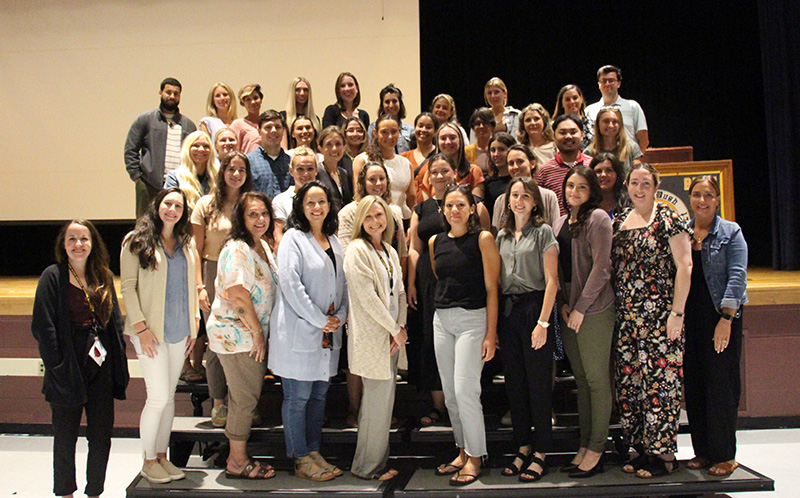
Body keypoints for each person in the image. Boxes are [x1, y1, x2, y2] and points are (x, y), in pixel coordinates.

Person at [32, 220, 129, 498]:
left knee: (101, 437)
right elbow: (43, 326)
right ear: (63, 245)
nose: (78, 244)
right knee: (65, 437)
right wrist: (58, 366)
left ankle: (95, 491)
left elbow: (114, 323)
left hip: (100, 365)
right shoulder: (53, 276)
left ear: (92, 243)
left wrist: (116, 364)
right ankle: (65, 492)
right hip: (67, 365)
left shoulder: (104, 275)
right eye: (72, 239)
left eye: (84, 239)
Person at [611, 163, 692, 478]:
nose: (639, 188)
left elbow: (684, 267)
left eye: (646, 183)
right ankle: (642, 449)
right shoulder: (619, 223)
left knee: (661, 386)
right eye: (634, 183)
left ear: (656, 186)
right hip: (628, 319)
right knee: (631, 386)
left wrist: (677, 313)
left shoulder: (670, 220)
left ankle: (663, 456)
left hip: (660, 318)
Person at [269, 181, 347, 482]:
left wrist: (340, 314)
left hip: (328, 333)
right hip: (300, 330)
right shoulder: (292, 238)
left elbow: (342, 284)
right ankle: (299, 457)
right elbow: (290, 284)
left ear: (329, 206)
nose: (317, 207)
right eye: (310, 202)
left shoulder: (333, 240)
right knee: (298, 397)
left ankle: (314, 452)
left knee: (318, 397)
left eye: (322, 202)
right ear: (301, 207)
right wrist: (318, 318)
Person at [120, 187, 199, 484]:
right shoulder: (136, 242)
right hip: (150, 334)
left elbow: (191, 286)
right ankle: (148, 460)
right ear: (157, 206)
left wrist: (193, 327)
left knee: (168, 400)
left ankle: (162, 456)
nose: (172, 210)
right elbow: (128, 287)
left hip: (179, 333)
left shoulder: (186, 244)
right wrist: (141, 329)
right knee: (156, 398)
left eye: (178, 206)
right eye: (168, 203)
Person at [430, 184, 500, 486]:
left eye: (461, 205)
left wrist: (491, 333)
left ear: (472, 209)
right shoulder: (436, 241)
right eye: (449, 206)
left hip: (473, 319)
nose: (454, 210)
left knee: (466, 391)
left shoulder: (483, 239)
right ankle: (461, 450)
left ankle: (475, 456)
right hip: (441, 320)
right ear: (443, 210)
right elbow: (439, 278)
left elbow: (492, 289)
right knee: (451, 395)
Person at [205, 192, 278, 480]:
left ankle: (238, 455)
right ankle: (236, 461)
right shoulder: (237, 248)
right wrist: (258, 334)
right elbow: (237, 293)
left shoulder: (260, 245)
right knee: (244, 399)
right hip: (237, 335)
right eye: (252, 214)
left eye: (264, 214)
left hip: (249, 334)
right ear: (241, 218)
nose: (260, 220)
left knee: (245, 397)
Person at [553, 166, 615, 478]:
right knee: (581, 382)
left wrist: (580, 308)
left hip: (594, 311)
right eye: (569, 186)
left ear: (591, 190)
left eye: (581, 187)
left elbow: (602, 269)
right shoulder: (562, 221)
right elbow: (559, 269)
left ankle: (597, 448)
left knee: (596, 380)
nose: (574, 192)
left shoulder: (599, 218)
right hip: (569, 311)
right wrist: (564, 304)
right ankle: (584, 444)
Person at [684, 176, 748, 477]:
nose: (702, 201)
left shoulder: (731, 233)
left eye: (708, 195)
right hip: (690, 320)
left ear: (717, 198)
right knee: (696, 386)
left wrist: (726, 318)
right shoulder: (683, 234)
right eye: (696, 195)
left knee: (721, 387)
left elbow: (737, 277)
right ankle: (703, 451)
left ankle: (724, 454)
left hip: (720, 318)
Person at [495, 177, 558, 483]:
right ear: (508, 201)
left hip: (535, 309)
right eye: (514, 195)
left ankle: (542, 451)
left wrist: (543, 323)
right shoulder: (502, 235)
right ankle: (522, 446)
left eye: (525, 196)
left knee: (537, 385)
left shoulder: (543, 232)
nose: (519, 200)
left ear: (535, 202)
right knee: (515, 384)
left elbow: (552, 282)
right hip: (509, 311)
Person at [338, 162, 407, 427]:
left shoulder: (392, 221)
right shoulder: (351, 224)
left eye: (382, 179)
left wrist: (398, 325)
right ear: (362, 182)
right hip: (365, 309)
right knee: (365, 370)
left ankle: (376, 433)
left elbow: (399, 267)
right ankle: (358, 418)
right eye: (371, 179)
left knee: (383, 387)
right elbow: (363, 288)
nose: (377, 183)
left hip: (391, 312)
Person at [344, 195, 407, 481]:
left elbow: (402, 293)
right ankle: (366, 467)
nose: (374, 221)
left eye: (379, 215)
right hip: (373, 337)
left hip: (393, 336)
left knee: (383, 405)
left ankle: (376, 463)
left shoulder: (390, 252)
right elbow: (367, 298)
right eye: (368, 217)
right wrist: (394, 329)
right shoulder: (357, 250)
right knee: (374, 406)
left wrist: (401, 326)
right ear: (360, 221)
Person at [191, 151, 254, 427]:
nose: (236, 174)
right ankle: (219, 403)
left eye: (241, 170)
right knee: (217, 342)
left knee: (243, 337)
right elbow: (194, 248)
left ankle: (241, 402)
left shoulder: (249, 203)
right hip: (212, 270)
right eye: (231, 169)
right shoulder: (206, 204)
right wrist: (199, 287)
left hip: (243, 274)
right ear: (222, 172)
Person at [407, 154, 457, 428]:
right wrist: (412, 283)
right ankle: (439, 406)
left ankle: (459, 404)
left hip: (458, 278)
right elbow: (414, 248)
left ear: (454, 173)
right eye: (434, 172)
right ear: (427, 178)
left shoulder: (468, 204)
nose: (439, 176)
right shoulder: (420, 209)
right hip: (427, 281)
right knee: (431, 342)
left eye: (444, 170)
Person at [125, 77, 197, 216]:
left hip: (179, 185)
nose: (172, 96)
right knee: (145, 225)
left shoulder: (188, 125)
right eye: (168, 92)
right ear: (160, 93)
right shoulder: (145, 120)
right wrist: (137, 177)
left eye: (176, 94)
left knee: (178, 226)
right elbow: (130, 149)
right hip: (148, 185)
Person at [352, 115, 416, 222]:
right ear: (375, 133)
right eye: (384, 132)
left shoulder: (406, 163)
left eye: (393, 131)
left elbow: (411, 200)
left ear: (399, 132)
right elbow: (358, 196)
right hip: (373, 222)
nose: (390, 136)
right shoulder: (363, 160)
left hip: (401, 221)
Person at [535, 114, 593, 216]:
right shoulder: (544, 170)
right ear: (554, 136)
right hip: (557, 229)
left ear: (582, 135)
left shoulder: (592, 165)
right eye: (562, 132)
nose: (568, 136)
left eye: (573, 132)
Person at [492, 144, 560, 230]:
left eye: (520, 161)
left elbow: (555, 231)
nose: (515, 167)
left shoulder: (549, 197)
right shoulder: (500, 201)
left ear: (532, 163)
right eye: (511, 163)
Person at [416, 122, 485, 202]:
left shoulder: (473, 171)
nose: (448, 142)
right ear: (437, 142)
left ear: (460, 140)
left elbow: (477, 205)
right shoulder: (429, 173)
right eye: (443, 138)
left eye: (452, 137)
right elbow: (427, 207)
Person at [585, 65, 649, 150]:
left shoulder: (633, 106)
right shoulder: (589, 110)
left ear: (618, 83)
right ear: (599, 84)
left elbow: (643, 138)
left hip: (627, 160)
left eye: (611, 81)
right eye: (603, 81)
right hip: (599, 160)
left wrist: (636, 160)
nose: (607, 84)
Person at [272, 146, 319, 245]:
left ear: (316, 170)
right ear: (291, 170)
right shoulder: (280, 201)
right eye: (300, 169)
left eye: (310, 169)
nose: (306, 174)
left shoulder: (324, 198)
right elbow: (279, 239)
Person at [164, 130, 217, 210]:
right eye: (196, 145)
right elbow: (170, 206)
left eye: (206, 146)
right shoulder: (174, 176)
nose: (201, 149)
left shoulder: (218, 177)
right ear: (187, 149)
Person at [248, 110, 293, 199]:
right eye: (268, 127)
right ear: (259, 131)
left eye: (277, 127)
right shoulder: (248, 162)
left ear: (283, 130)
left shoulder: (291, 162)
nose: (273, 131)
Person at [587, 106, 643, 174]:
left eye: (615, 121)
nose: (611, 125)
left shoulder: (632, 148)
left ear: (620, 125)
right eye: (606, 121)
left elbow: (638, 174)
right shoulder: (589, 152)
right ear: (598, 125)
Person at [367, 84, 415, 153]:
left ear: (400, 103)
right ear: (382, 105)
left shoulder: (410, 130)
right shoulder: (373, 127)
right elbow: (371, 151)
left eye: (394, 101)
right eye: (387, 102)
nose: (391, 105)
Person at [470, 77, 519, 142]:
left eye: (496, 92)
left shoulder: (516, 116)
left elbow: (519, 140)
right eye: (489, 93)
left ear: (505, 93)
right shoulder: (480, 117)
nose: (493, 96)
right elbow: (474, 141)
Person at [317, 126, 353, 212]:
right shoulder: (316, 173)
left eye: (338, 144)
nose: (334, 149)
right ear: (320, 148)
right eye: (329, 144)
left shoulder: (344, 173)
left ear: (344, 147)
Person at [281, 76, 321, 149]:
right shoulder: (283, 117)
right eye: (297, 90)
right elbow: (283, 149)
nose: (302, 93)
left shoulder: (315, 119)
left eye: (305, 90)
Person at [483, 132, 516, 217]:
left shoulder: (518, 180)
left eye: (501, 149)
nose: (496, 154)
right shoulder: (487, 182)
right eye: (493, 150)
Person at [553, 84, 593, 150]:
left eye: (575, 98)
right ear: (562, 103)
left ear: (581, 99)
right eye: (567, 99)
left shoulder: (592, 124)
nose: (572, 102)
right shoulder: (553, 126)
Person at [591, 152, 629, 217]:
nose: (603, 175)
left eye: (609, 170)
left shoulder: (628, 202)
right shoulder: (586, 204)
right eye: (598, 171)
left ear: (618, 174)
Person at [230, 84, 264, 154]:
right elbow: (233, 151)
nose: (253, 102)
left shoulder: (267, 124)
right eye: (248, 99)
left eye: (255, 98)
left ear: (261, 100)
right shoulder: (237, 125)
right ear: (243, 103)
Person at [464, 107, 496, 175]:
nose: (481, 126)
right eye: (477, 123)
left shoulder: (497, 150)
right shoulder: (466, 151)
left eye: (485, 123)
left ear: (492, 126)